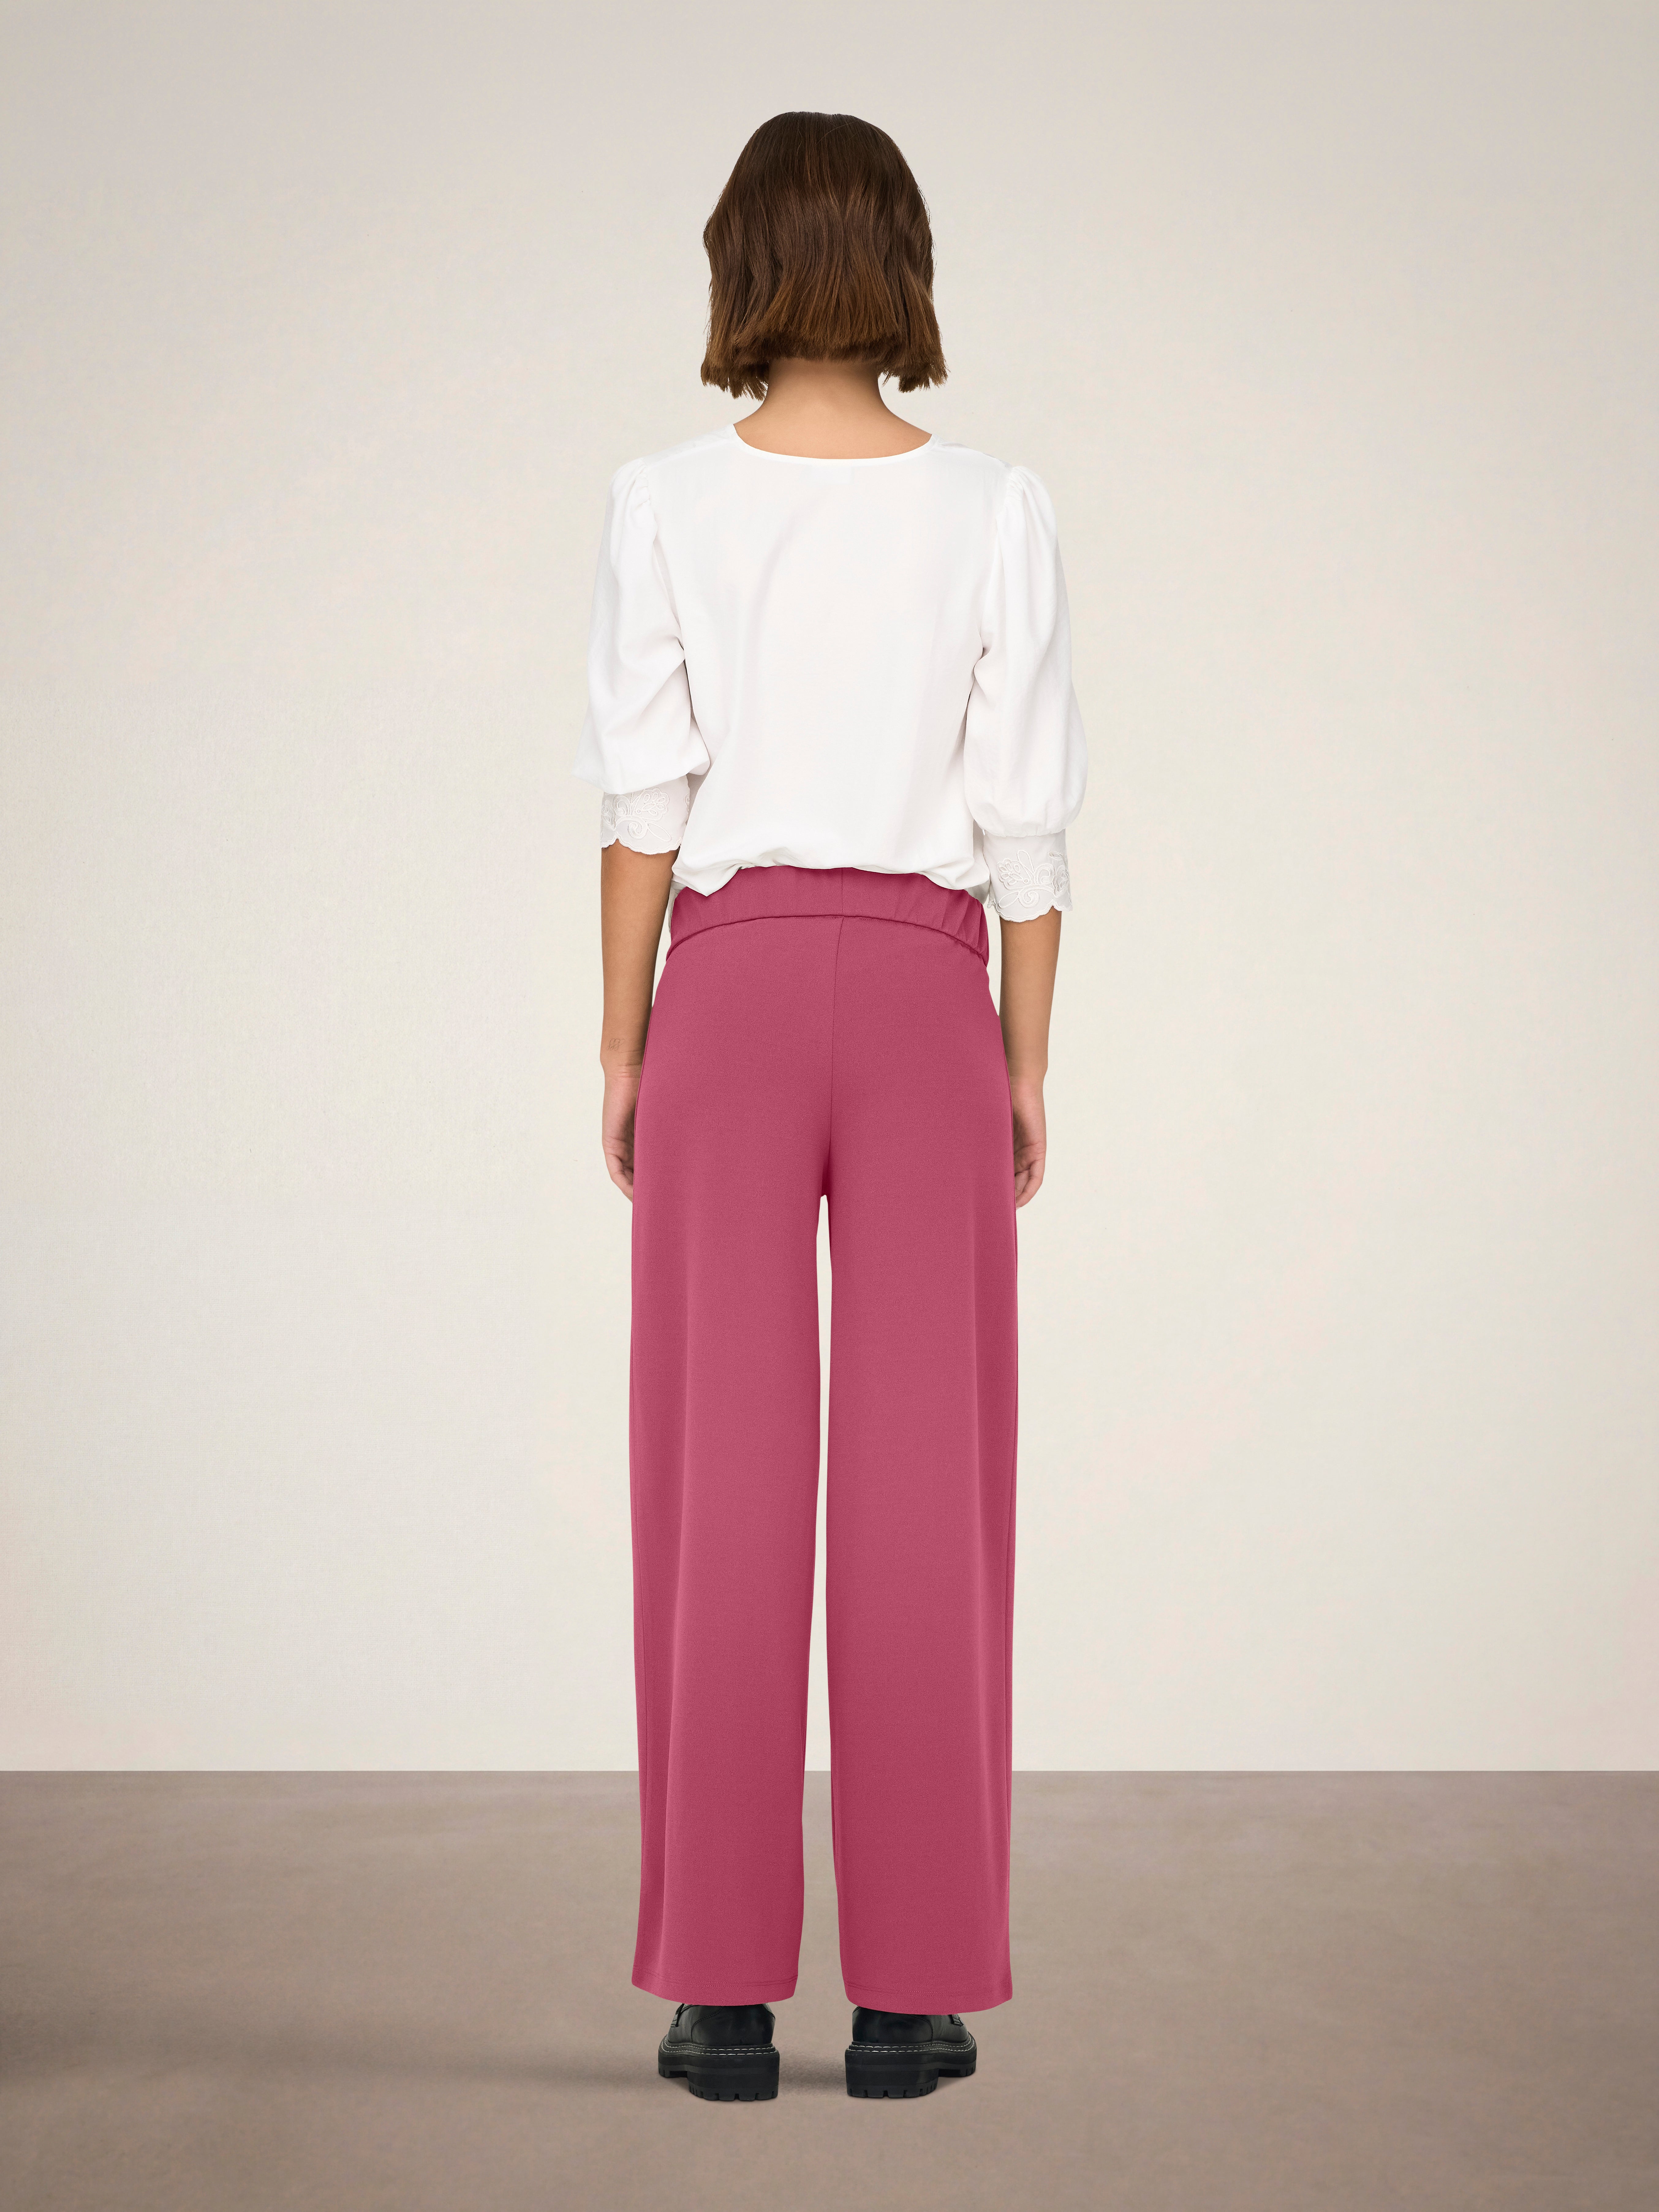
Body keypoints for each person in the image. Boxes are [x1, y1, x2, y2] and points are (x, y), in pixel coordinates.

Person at [573, 110, 1086, 2103]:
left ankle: (716, 1997)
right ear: (901, 265)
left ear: (738, 264)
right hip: (927, 989)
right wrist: (1020, 1057)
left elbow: (644, 800)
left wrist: (624, 1039)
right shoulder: (993, 507)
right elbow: (1025, 818)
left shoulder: (661, 500)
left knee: (713, 1477)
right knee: (923, 1485)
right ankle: (910, 1995)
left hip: (726, 981)